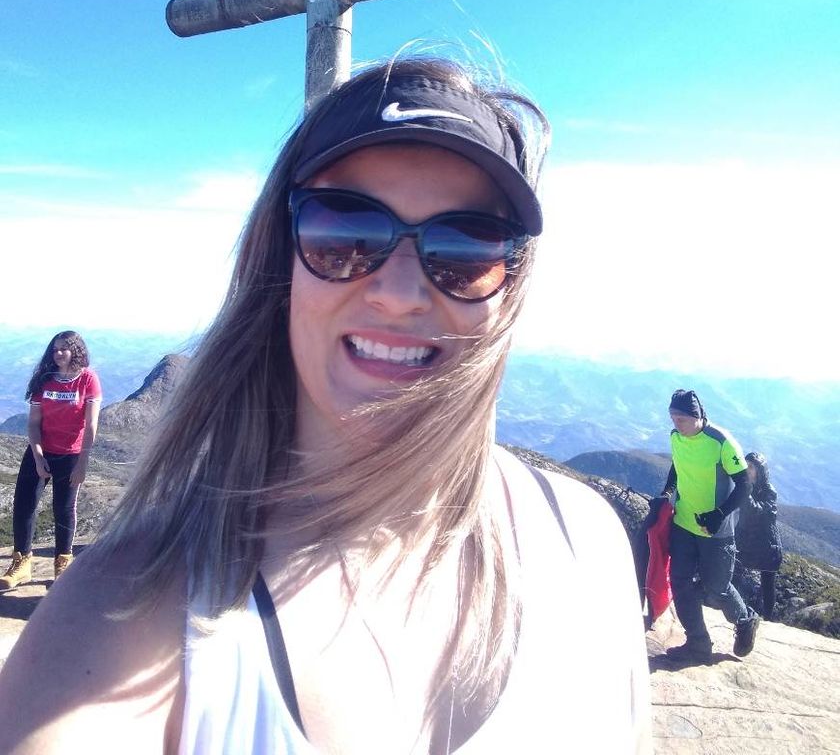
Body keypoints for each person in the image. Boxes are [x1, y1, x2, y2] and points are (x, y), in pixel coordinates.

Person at [0, 57, 651, 753]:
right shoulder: (129, 615)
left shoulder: (590, 541)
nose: (400, 292)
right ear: (279, 263)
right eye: (344, 233)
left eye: (467, 248)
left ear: (510, 285)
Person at [660, 388, 760, 664]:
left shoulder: (721, 442)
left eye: (681, 418)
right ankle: (698, 644)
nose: (675, 423)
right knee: (680, 582)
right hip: (683, 523)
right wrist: (666, 493)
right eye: (672, 417)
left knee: (717, 588)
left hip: (716, 531)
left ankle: (745, 619)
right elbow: (676, 467)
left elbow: (744, 484)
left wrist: (719, 514)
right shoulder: (676, 437)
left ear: (697, 416)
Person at [0, 330, 101, 590]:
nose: (58, 354)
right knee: (24, 505)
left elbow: (91, 425)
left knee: (64, 509)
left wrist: (83, 462)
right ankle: (22, 563)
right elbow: (33, 424)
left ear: (76, 351)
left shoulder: (88, 380)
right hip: (41, 450)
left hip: (71, 454)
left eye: (64, 349)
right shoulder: (44, 380)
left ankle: (62, 563)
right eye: (55, 349)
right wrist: (37, 456)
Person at [734, 451, 783, 621]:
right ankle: (736, 612)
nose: (747, 469)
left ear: (760, 470)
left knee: (768, 583)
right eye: (745, 465)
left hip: (766, 545)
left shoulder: (769, 491)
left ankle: (768, 619)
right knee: (734, 575)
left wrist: (745, 492)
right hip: (746, 540)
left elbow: (757, 512)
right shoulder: (745, 485)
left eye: (751, 467)